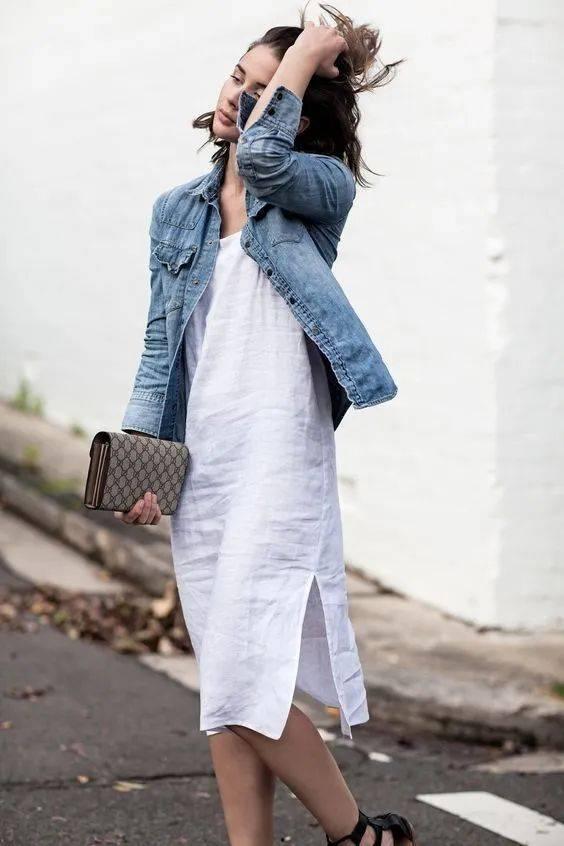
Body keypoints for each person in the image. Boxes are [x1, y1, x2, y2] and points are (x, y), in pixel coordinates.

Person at [115, 5, 415, 845]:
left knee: (245, 669)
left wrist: (310, 52)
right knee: (226, 672)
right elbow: (160, 345)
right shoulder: (177, 211)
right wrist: (145, 457)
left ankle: (360, 836)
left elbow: (264, 157)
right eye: (235, 76)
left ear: (294, 110)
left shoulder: (316, 189)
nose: (233, 96)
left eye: (259, 87)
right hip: (205, 458)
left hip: (279, 451)